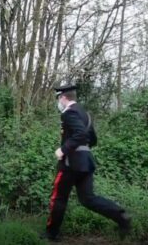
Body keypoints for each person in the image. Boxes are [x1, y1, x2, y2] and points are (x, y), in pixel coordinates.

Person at [43, 85, 131, 241]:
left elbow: (81, 134)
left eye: (58, 98)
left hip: (70, 163)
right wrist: (82, 149)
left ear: (63, 98)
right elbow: (93, 139)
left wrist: (63, 149)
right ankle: (121, 216)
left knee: (59, 198)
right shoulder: (85, 114)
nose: (58, 102)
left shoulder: (68, 113)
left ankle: (51, 234)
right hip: (86, 162)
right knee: (88, 199)